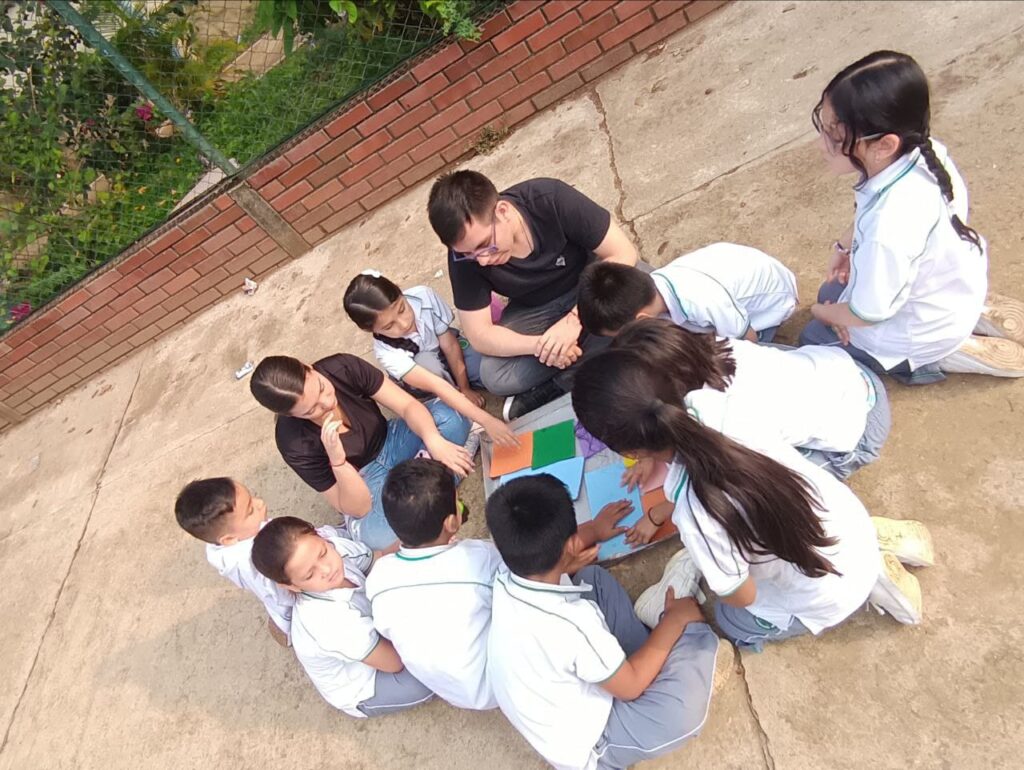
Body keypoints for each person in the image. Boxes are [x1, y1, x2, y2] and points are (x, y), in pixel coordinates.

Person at [572, 349, 934, 645]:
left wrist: (717, 567)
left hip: (831, 587)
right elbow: (711, 474)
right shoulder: (712, 403)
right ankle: (875, 546)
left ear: (629, 449)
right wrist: (658, 515)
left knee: (734, 622)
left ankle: (874, 580)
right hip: (845, 518)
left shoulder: (698, 517)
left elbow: (740, 596)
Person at [799, 49, 1024, 382]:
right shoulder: (921, 152)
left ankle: (943, 354)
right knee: (831, 293)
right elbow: (870, 214)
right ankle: (970, 312)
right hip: (951, 282)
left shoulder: (888, 228)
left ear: (883, 145)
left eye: (835, 134)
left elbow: (869, 313)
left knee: (813, 336)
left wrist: (824, 314)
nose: (822, 144)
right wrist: (844, 247)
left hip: (917, 332)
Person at [485, 474, 729, 770]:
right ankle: (677, 628)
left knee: (591, 580)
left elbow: (567, 560)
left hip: (561, 689)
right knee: (681, 713)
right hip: (594, 744)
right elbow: (631, 688)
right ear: (571, 545)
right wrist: (675, 621)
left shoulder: (501, 572)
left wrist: (594, 532)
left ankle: (653, 643)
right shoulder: (572, 623)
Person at [427, 170, 640, 420]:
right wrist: (543, 346)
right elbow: (479, 335)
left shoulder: (550, 198)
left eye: (486, 244)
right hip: (536, 309)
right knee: (495, 375)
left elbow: (624, 254)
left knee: (649, 295)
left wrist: (574, 322)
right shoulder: (465, 257)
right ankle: (597, 357)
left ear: (503, 211)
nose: (482, 260)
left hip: (592, 285)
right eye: (469, 253)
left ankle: (564, 382)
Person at [609, 318, 891, 487]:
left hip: (860, 429)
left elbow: (728, 473)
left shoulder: (720, 418)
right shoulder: (711, 346)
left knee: (771, 489)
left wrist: (658, 513)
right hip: (848, 371)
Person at [250, 353, 471, 550]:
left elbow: (407, 406)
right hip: (365, 482)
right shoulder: (293, 442)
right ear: (292, 415)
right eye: (311, 410)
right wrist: (338, 462)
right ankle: (438, 483)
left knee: (451, 413)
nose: (327, 402)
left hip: (392, 439)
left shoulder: (341, 367)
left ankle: (423, 498)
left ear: (308, 366)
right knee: (377, 538)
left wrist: (432, 439)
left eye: (321, 388)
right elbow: (355, 506)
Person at [250, 516, 431, 717]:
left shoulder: (339, 550)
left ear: (322, 537)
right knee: (429, 676)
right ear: (291, 586)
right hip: (366, 684)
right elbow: (394, 662)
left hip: (370, 631)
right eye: (309, 575)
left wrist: (424, 537)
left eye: (323, 553)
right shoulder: (326, 621)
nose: (327, 569)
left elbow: (379, 557)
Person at [363, 458, 501, 710]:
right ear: (451, 523)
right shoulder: (479, 558)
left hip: (453, 690)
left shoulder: (379, 578)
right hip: (497, 684)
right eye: (458, 502)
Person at [342, 270, 517, 451]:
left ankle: (465, 393)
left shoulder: (423, 296)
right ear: (369, 330)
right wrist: (485, 419)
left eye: (402, 309)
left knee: (487, 367)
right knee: (432, 371)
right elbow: (437, 385)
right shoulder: (386, 353)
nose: (403, 323)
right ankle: (459, 410)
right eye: (388, 326)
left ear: (400, 291)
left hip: (446, 349)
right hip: (426, 377)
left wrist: (464, 388)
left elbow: (449, 345)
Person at [578, 242, 797, 342]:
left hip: (771, 306)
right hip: (734, 284)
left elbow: (746, 340)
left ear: (642, 318)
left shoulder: (702, 301)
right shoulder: (652, 288)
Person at [174, 477, 298, 646]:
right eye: (250, 510)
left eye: (252, 497)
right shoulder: (261, 559)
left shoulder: (219, 546)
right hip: (287, 607)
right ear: (229, 539)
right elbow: (285, 595)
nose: (260, 503)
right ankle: (286, 633)